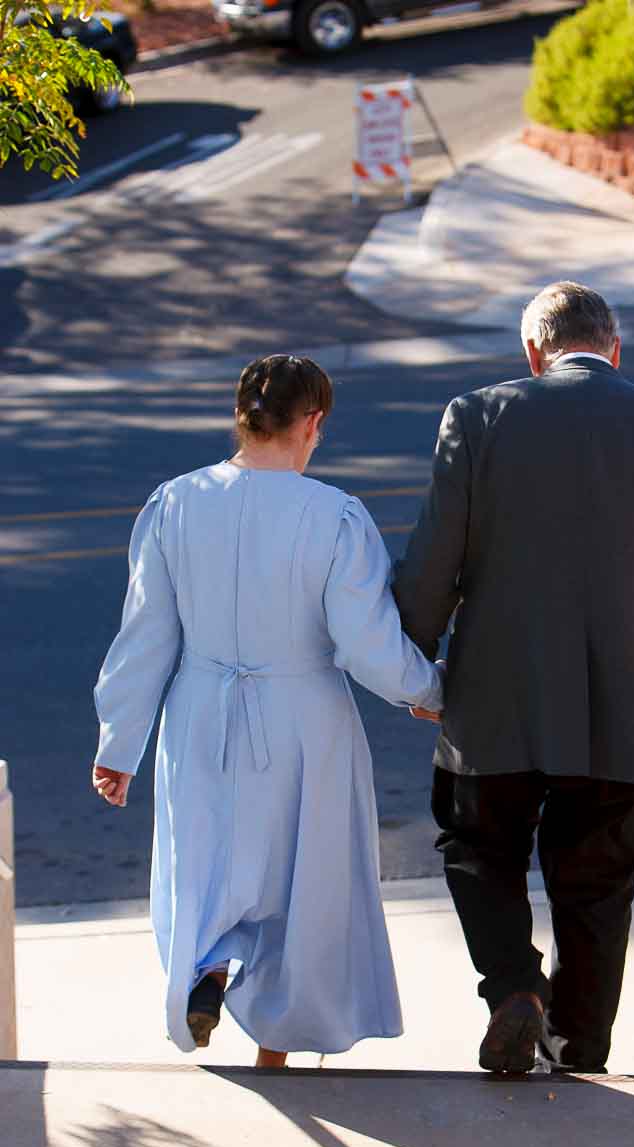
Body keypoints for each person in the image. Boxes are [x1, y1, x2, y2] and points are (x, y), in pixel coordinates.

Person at [394, 281, 634, 1075]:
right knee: (597, 885)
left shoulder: (477, 417)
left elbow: (430, 569)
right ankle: (578, 1047)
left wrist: (412, 670)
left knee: (477, 847)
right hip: (632, 713)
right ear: (614, 350)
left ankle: (514, 986)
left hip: (495, 706)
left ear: (530, 353)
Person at [92, 354, 443, 1068]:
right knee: (301, 879)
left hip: (200, 710)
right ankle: (277, 1049)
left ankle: (207, 970)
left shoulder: (176, 502)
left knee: (210, 863)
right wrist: (429, 691)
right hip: (305, 719)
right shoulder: (334, 516)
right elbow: (365, 641)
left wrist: (118, 742)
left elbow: (147, 632)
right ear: (312, 423)